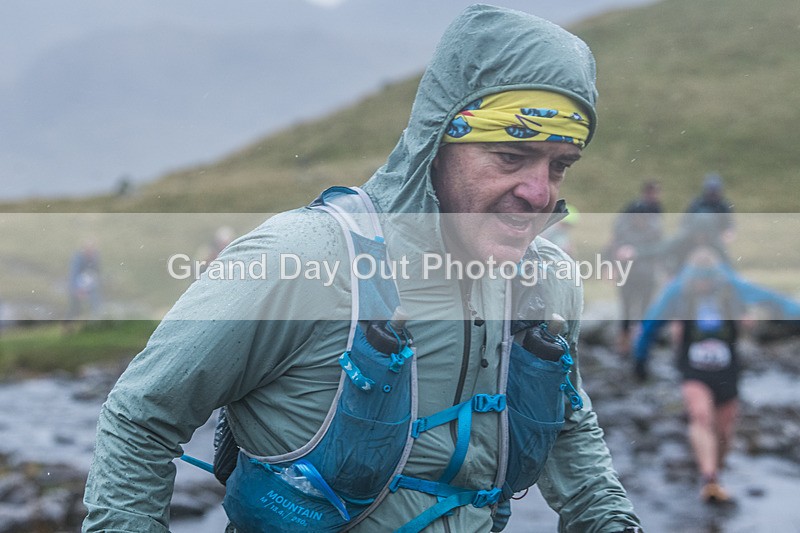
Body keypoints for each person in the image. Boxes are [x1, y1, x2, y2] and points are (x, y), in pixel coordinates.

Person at [83, 5, 642, 533]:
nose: (538, 193)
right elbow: (141, 418)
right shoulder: (301, 260)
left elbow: (566, 424)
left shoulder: (544, 283)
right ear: (436, 142)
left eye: (560, 165)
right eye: (510, 157)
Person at [633, 247, 800, 504]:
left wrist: (793, 314)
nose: (703, 284)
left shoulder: (730, 286)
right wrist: (640, 358)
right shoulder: (679, 290)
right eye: (698, 280)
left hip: (727, 368)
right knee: (700, 415)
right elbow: (651, 323)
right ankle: (709, 478)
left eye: (707, 280)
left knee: (724, 429)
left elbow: (770, 298)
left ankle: (716, 472)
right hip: (693, 367)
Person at [607, 181, 663, 355]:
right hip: (628, 276)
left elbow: (660, 249)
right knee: (626, 308)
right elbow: (612, 247)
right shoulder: (624, 231)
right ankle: (624, 343)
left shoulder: (654, 231)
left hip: (646, 276)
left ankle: (641, 342)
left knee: (644, 309)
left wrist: (637, 252)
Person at [66, 240, 102, 322]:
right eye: (88, 250)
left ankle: (96, 319)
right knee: (74, 308)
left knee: (95, 302)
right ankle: (68, 323)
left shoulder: (95, 258)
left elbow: (97, 273)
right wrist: (77, 290)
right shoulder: (77, 259)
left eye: (92, 250)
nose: (90, 252)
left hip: (90, 285)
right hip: (77, 286)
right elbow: (73, 275)